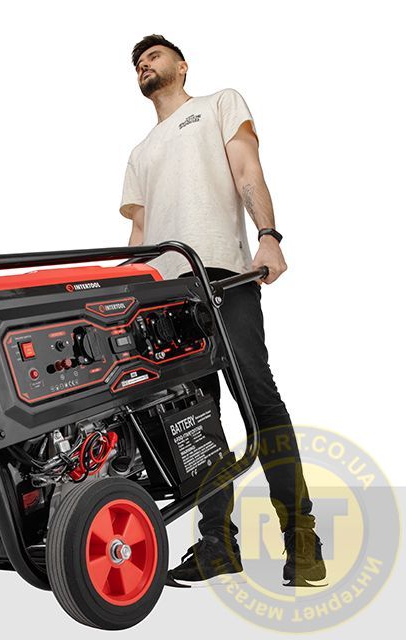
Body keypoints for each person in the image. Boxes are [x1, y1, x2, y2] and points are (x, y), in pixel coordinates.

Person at [119, 34, 326, 584]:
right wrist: (123, 291)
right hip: (163, 296)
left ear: (182, 65)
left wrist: (269, 235)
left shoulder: (219, 104)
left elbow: (247, 170)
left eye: (154, 55)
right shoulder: (139, 153)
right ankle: (217, 545)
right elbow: (139, 232)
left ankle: (302, 538)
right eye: (137, 62)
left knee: (256, 393)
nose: (144, 63)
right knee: (192, 417)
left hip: (222, 275)